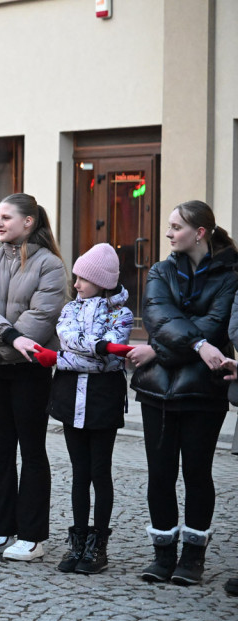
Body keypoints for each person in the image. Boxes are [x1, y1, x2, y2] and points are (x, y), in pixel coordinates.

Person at [129, 200, 238, 585]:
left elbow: (217, 324)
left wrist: (169, 343)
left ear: (200, 232)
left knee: (197, 472)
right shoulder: (160, 271)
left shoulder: (230, 275)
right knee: (160, 473)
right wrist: (196, 346)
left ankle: (192, 557)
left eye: (176, 227)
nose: (169, 233)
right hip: (157, 389)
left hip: (204, 391)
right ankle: (162, 555)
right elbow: (158, 319)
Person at [0, 193, 69, 562]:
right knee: (0, 450)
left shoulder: (50, 266)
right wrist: (7, 340)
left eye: (6, 217)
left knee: (32, 451)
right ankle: (1, 530)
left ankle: (33, 536)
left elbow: (39, 322)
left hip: (30, 372)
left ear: (29, 222)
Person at [31, 243, 133, 574]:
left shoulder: (123, 313)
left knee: (100, 472)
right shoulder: (71, 309)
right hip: (71, 396)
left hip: (103, 398)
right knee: (79, 472)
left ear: (101, 281)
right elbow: (69, 339)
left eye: (82, 279)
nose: (75, 285)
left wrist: (63, 359)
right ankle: (77, 541)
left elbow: (111, 361)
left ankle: (98, 543)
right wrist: (98, 347)